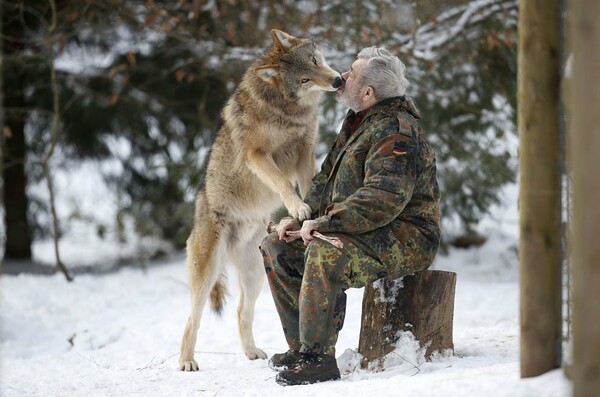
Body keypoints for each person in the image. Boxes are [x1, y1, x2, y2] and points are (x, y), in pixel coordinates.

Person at [260, 47, 441, 386]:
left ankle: (318, 359)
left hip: (406, 236)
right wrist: (300, 218)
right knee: (276, 246)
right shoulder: (359, 120)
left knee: (325, 251)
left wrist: (325, 225)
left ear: (368, 92)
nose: (341, 77)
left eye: (352, 74)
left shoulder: (397, 132)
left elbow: (382, 199)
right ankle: (302, 348)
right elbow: (324, 179)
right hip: (362, 228)